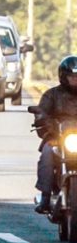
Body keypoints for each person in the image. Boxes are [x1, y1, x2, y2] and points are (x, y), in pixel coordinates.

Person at [33, 56, 77, 213]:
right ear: (63, 77)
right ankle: (45, 197)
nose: (75, 80)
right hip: (57, 137)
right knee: (47, 153)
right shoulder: (52, 95)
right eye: (72, 77)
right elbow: (42, 113)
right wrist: (44, 122)